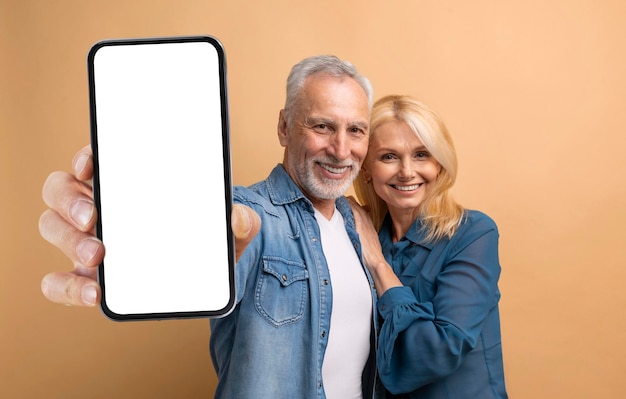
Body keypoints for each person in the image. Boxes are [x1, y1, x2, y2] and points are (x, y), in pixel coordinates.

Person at [39, 55, 382, 399]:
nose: (341, 150)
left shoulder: (358, 225)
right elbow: (189, 262)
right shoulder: (246, 215)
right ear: (284, 127)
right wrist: (130, 242)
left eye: (355, 130)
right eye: (322, 126)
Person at [350, 95, 508, 398]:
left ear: (439, 164)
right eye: (388, 157)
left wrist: (379, 265)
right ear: (366, 169)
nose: (407, 171)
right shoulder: (361, 236)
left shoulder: (473, 234)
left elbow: (440, 349)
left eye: (421, 154)